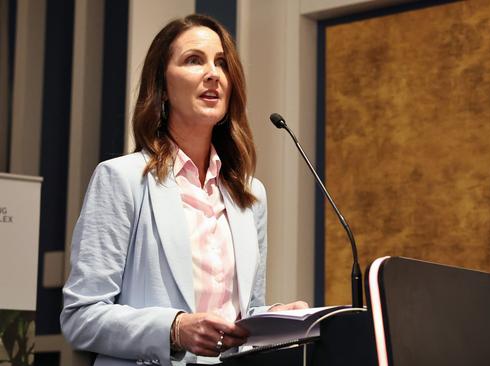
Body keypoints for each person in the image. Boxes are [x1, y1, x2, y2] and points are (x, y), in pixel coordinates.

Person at [60, 14, 307, 366]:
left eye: (221, 63)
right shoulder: (121, 179)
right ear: (162, 86)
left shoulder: (250, 196)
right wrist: (173, 329)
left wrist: (277, 317)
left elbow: (242, 311)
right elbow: (81, 316)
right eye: (194, 60)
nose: (213, 74)